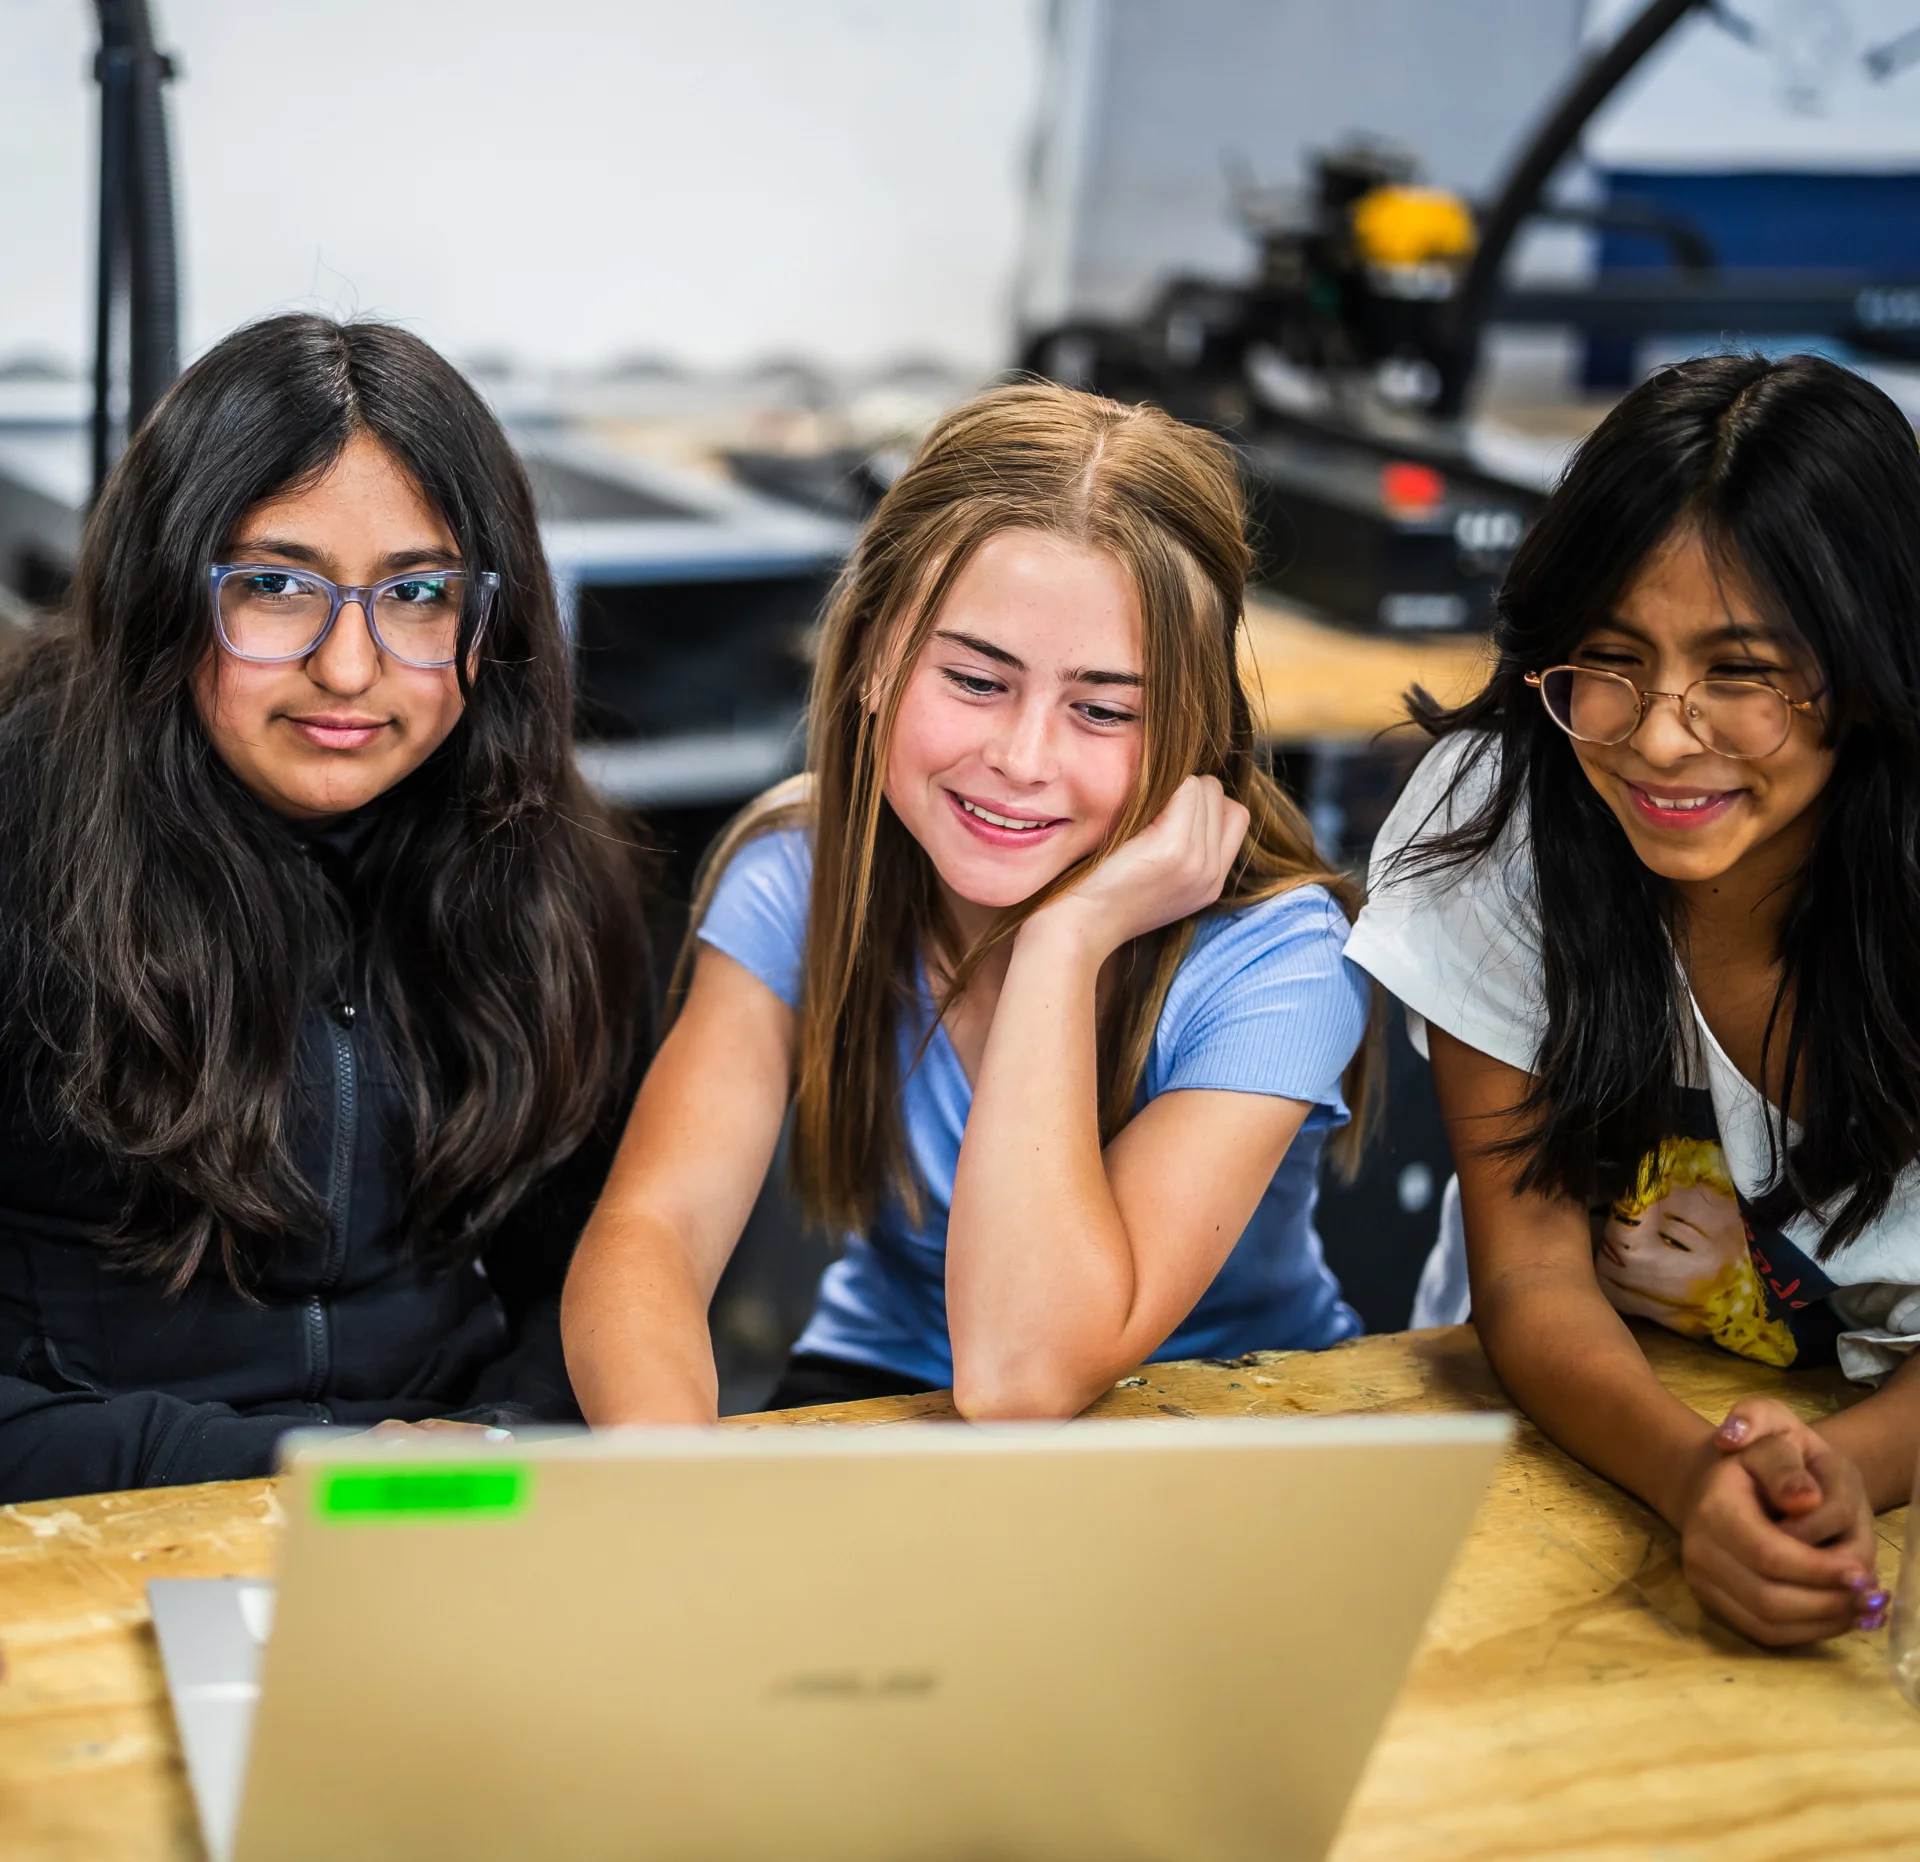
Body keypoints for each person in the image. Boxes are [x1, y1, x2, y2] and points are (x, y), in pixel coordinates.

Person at [562, 381, 1373, 1422]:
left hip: (1225, 1411)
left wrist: (1061, 945)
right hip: (896, 1384)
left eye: (1102, 707)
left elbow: (1026, 1376)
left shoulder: (1280, 956)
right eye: (977, 681)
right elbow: (653, 1232)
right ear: (870, 661)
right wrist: (673, 1474)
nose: (1022, 759)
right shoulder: (799, 872)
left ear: (1191, 724)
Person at [0, 315, 650, 1503]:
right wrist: (309, 1471)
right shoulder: (23, 839)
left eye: (415, 592)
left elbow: (608, 1287)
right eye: (273, 584)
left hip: (451, 1515)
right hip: (103, 1518)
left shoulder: (554, 870)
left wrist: (499, 1447)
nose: (349, 669)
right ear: (162, 589)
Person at [1346, 352, 1920, 1646]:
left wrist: (1849, 1468)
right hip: (1575, 1446)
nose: (1660, 737)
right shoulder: (1505, 820)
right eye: (1609, 661)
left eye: (1742, 671)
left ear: (1874, 669)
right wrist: (1693, 1477)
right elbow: (1535, 1269)